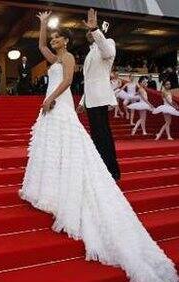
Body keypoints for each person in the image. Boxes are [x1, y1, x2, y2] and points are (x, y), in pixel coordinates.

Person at [19, 10, 179, 282]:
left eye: (58, 36)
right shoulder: (63, 56)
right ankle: (77, 175)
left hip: (73, 100)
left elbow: (69, 79)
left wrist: (52, 99)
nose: (54, 40)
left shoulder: (97, 49)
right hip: (78, 101)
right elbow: (43, 48)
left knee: (96, 142)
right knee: (75, 142)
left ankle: (108, 172)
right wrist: (43, 25)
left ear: (67, 41)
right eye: (53, 38)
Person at [76, 9, 120, 181]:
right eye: (87, 30)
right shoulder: (91, 51)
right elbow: (89, 80)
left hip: (100, 98)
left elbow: (108, 52)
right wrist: (82, 101)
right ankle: (104, 169)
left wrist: (95, 30)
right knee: (98, 135)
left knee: (103, 136)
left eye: (91, 29)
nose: (88, 31)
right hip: (92, 99)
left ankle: (111, 171)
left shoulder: (108, 43)